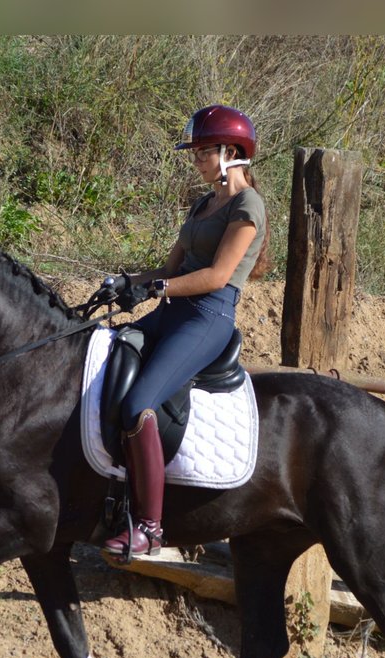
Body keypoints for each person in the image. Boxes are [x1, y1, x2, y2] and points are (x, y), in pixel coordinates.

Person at [101, 103, 269, 558]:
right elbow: (167, 269)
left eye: (202, 152)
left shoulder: (247, 205)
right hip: (173, 311)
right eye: (193, 153)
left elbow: (217, 276)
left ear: (231, 152)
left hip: (207, 317)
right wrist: (127, 282)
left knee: (140, 404)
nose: (195, 160)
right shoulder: (203, 203)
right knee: (107, 361)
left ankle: (150, 528)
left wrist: (159, 287)